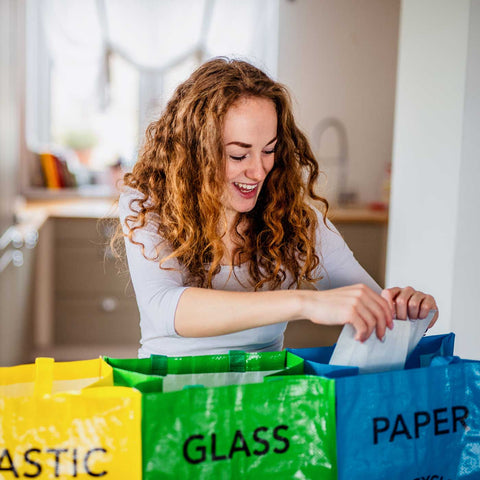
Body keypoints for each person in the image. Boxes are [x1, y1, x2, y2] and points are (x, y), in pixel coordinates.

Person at [116, 57, 438, 358]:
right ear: (196, 153)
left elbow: (370, 306)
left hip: (264, 411)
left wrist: (407, 308)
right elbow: (163, 306)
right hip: (172, 399)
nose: (258, 172)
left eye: (268, 150)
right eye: (239, 155)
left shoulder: (295, 222)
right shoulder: (146, 205)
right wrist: (304, 302)